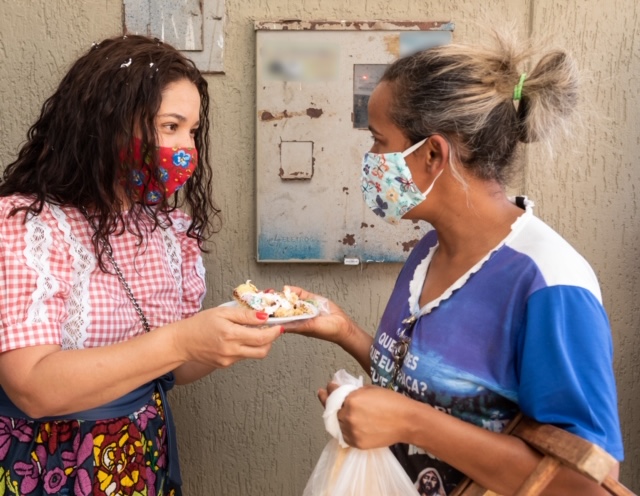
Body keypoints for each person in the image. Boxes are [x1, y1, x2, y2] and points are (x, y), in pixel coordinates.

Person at [286, 30, 624, 495]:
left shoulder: (549, 284)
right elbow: (433, 392)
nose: (371, 161)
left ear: (432, 154)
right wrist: (345, 331)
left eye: (379, 142)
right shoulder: (428, 252)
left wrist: (410, 423)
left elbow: (588, 485)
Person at [0, 35, 282, 495]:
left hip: (142, 458)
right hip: (45, 464)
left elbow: (171, 368)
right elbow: (33, 388)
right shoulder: (25, 226)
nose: (186, 148)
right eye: (170, 126)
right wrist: (184, 338)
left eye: (192, 131)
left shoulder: (169, 230)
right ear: (105, 123)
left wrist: (226, 337)